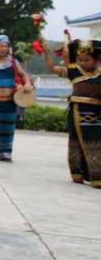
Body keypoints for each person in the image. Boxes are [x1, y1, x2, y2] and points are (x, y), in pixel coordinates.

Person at [42, 37, 101, 187]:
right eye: (80, 59)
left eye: (86, 60)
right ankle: (77, 173)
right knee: (75, 144)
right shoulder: (74, 72)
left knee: (95, 144)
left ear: (96, 60)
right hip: (76, 113)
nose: (82, 63)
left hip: (97, 114)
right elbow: (53, 68)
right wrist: (47, 52)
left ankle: (97, 176)